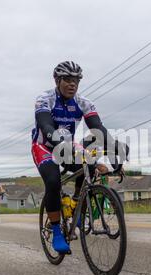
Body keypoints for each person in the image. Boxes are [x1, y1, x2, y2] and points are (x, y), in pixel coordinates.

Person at [31, 61, 129, 254]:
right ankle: (57, 232)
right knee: (53, 182)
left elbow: (98, 128)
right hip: (44, 146)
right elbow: (45, 125)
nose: (72, 84)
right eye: (67, 79)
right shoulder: (45, 99)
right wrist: (58, 142)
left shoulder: (83, 103)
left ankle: (77, 202)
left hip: (67, 145)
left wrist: (113, 147)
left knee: (90, 166)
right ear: (57, 80)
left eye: (75, 80)